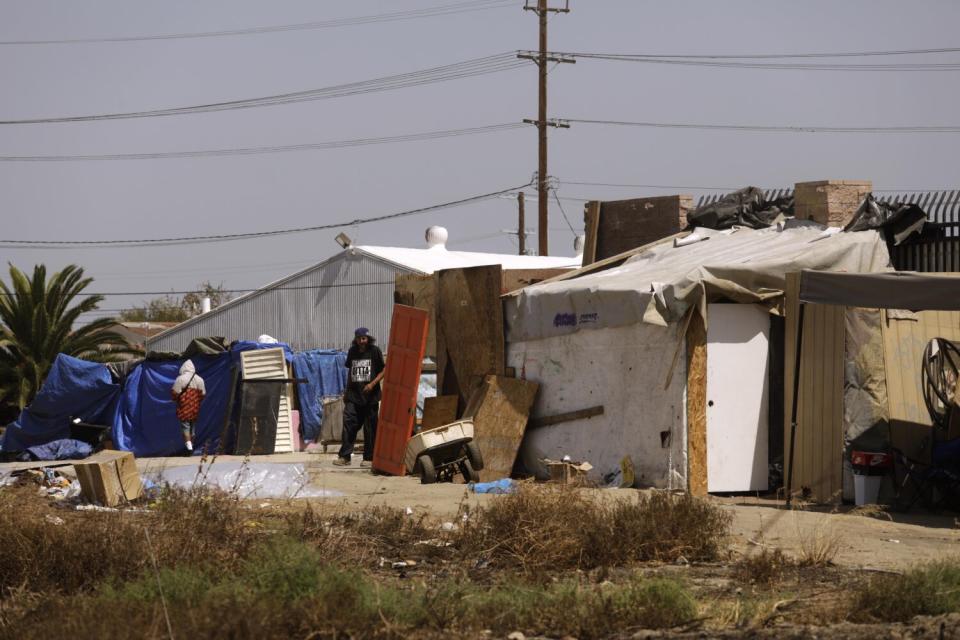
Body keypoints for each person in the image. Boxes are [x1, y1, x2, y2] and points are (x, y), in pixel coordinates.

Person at [334, 327, 385, 467]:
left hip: (371, 397)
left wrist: (372, 384)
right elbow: (351, 371)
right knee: (349, 424)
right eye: (359, 338)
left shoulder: (374, 351)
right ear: (356, 339)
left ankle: (368, 458)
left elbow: (383, 370)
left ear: (368, 339)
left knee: (370, 428)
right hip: (354, 396)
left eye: (364, 338)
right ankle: (345, 457)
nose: (362, 341)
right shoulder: (352, 352)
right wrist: (346, 391)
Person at [171, 359, 206, 453]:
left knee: (185, 427)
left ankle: (189, 448)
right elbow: (203, 394)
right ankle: (191, 446)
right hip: (195, 407)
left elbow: (174, 392)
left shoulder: (181, 379)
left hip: (184, 407)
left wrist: (176, 399)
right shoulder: (200, 379)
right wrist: (195, 401)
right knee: (192, 428)